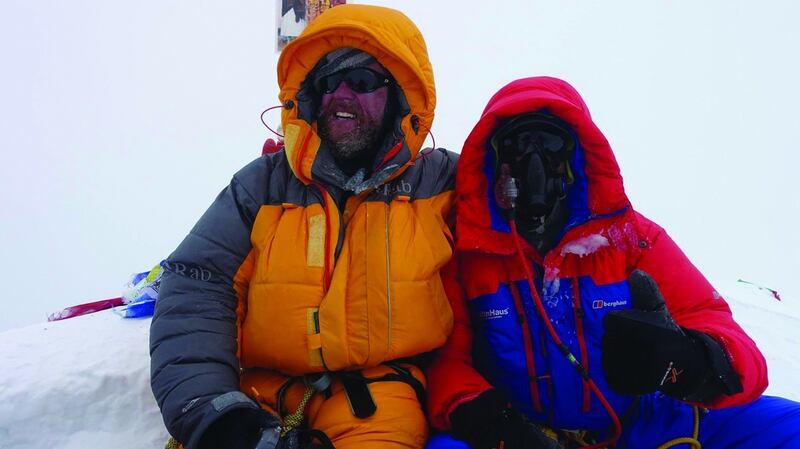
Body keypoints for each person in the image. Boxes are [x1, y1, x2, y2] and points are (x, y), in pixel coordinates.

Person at [425, 76, 800, 449]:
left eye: (552, 143)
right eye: (516, 145)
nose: (533, 160)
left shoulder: (631, 238)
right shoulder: (464, 254)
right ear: (493, 161)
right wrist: (495, 424)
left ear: (576, 157)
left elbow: (727, 338)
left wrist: (688, 360)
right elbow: (447, 363)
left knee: (788, 425)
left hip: (640, 422)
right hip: (525, 429)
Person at [150, 5, 458, 449]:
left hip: (377, 402)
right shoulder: (261, 186)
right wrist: (213, 410)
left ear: (400, 97)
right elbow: (198, 283)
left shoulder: (441, 183)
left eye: (363, 81)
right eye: (328, 82)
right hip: (257, 397)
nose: (341, 94)